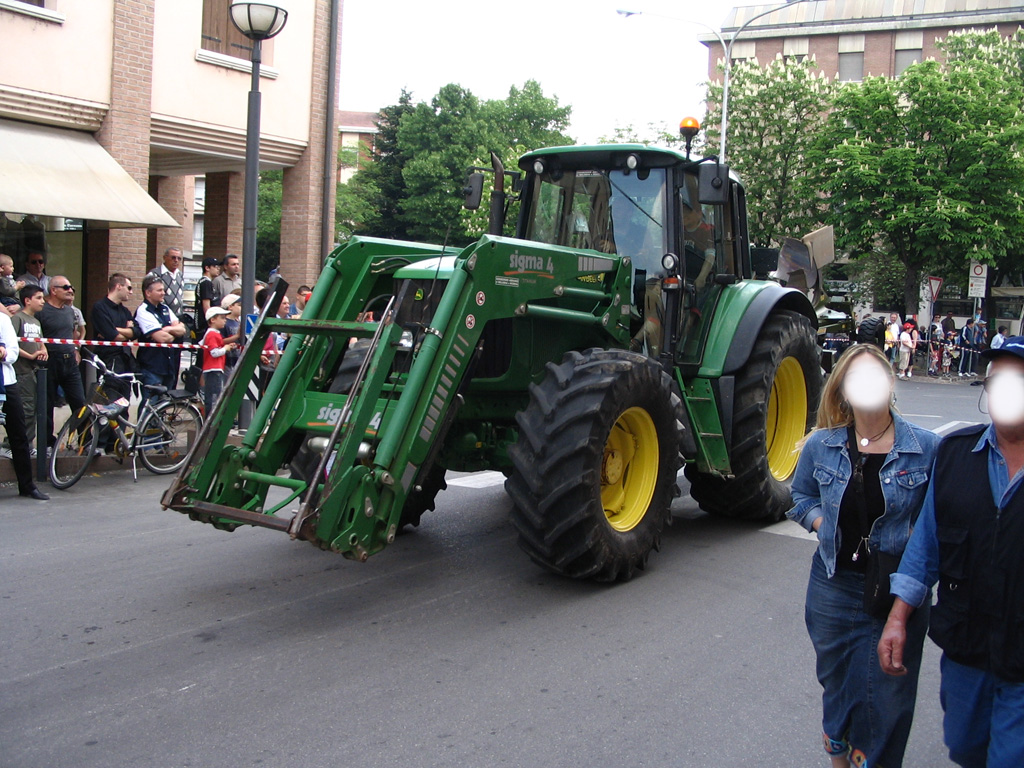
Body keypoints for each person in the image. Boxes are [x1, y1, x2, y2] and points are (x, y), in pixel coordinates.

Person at [788, 343, 940, 768]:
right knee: (837, 687)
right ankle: (840, 759)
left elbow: (936, 527)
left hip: (894, 590)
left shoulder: (927, 449)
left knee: (885, 699)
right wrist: (822, 526)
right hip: (833, 585)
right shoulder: (823, 445)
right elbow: (800, 496)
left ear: (891, 383)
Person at [879, 336, 1024, 768]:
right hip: (967, 645)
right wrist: (897, 619)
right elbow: (924, 547)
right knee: (963, 746)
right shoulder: (956, 455)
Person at [0, 308, 48, 500]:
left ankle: (27, 485)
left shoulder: (3, 320)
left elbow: (12, 352)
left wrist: (3, 355)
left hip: (6, 382)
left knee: (19, 434)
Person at [38, 277, 87, 448]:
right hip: (50, 361)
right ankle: (48, 445)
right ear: (53, 290)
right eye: (66, 287)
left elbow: (73, 332)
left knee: (80, 403)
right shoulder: (42, 310)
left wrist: (75, 350)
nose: (70, 290)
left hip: (70, 362)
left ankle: (85, 442)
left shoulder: (69, 311)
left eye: (71, 286)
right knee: (46, 405)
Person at [2, 285, 48, 455]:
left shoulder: (36, 321)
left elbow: (41, 342)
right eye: (39, 298)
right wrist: (30, 355)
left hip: (34, 371)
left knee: (33, 409)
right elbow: (10, 344)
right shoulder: (17, 319)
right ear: (27, 300)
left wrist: (43, 351)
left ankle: (27, 444)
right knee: (25, 409)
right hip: (20, 371)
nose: (43, 301)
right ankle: (11, 446)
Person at [135, 274, 186, 407]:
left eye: (163, 290)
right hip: (152, 367)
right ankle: (145, 428)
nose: (163, 293)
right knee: (150, 405)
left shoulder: (165, 308)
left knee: (164, 406)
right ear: (148, 293)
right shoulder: (143, 311)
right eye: (159, 290)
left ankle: (159, 428)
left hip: (169, 365)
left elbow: (183, 329)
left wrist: (166, 328)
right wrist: (172, 330)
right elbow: (163, 338)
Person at [91, 273, 136, 408]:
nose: (131, 292)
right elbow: (112, 336)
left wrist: (117, 329)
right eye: (129, 288)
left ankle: (120, 430)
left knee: (124, 405)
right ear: (118, 286)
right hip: (109, 361)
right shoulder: (100, 307)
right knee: (109, 406)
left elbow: (135, 333)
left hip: (126, 360)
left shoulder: (125, 311)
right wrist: (125, 332)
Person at [200, 306, 236, 414]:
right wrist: (225, 348)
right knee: (214, 396)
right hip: (213, 369)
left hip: (214, 368)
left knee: (214, 395)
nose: (225, 320)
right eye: (222, 317)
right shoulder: (212, 334)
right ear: (213, 320)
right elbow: (214, 352)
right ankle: (210, 420)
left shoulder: (214, 333)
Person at [146, 246, 186, 317]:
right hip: (161, 316)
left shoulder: (180, 275)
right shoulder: (154, 274)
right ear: (165, 258)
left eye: (179, 258)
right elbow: (148, 296)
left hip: (178, 317)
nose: (176, 260)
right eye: (173, 257)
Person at [193, 256, 221, 339]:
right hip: (204, 325)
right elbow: (206, 306)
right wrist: (211, 322)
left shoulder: (205, 282)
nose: (218, 269)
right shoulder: (206, 283)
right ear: (207, 268)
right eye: (215, 267)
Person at [220, 293, 242, 372]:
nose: (242, 308)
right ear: (230, 307)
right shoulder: (224, 323)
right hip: (226, 362)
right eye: (239, 305)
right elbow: (220, 341)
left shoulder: (238, 322)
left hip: (236, 359)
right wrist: (237, 336)